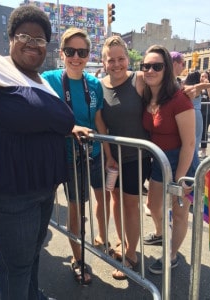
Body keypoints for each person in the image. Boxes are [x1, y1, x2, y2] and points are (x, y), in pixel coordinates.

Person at [0, 5, 75, 300]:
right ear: (10, 37)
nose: (32, 44)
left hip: (43, 191)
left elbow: (45, 120)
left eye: (40, 40)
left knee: (32, 260)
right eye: (25, 35)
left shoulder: (41, 82)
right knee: (16, 269)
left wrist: (72, 128)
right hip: (8, 196)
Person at [42, 27, 112, 285]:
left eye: (82, 52)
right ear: (62, 53)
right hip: (64, 158)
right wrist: (68, 128)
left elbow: (98, 121)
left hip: (92, 155)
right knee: (73, 209)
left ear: (88, 55)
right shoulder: (47, 79)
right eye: (70, 51)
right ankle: (77, 259)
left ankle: (98, 242)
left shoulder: (94, 84)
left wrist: (109, 155)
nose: (76, 57)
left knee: (91, 203)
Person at [98, 35, 152, 280]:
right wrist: (108, 156)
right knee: (115, 201)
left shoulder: (139, 80)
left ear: (128, 59)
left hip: (136, 158)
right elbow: (101, 124)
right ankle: (122, 242)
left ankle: (131, 254)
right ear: (104, 61)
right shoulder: (99, 85)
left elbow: (166, 95)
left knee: (131, 205)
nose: (117, 64)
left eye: (121, 59)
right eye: (111, 60)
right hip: (112, 159)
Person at [141, 44, 198, 274]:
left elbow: (190, 143)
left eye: (157, 66)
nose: (150, 70)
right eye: (146, 66)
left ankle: (172, 255)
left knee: (180, 211)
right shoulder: (145, 92)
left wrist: (180, 179)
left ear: (167, 69)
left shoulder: (180, 99)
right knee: (153, 205)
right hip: (159, 160)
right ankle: (161, 234)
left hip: (182, 161)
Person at [199, 71, 210, 158]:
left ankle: (203, 150)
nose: (203, 78)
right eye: (202, 76)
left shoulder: (208, 87)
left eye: (205, 76)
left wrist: (208, 86)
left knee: (204, 131)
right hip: (198, 112)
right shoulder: (197, 86)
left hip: (206, 112)